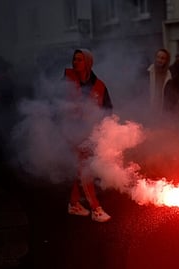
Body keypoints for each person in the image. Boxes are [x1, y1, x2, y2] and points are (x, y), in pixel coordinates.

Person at [63, 49, 112, 223]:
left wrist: (104, 130)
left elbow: (108, 109)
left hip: (91, 133)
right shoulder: (67, 81)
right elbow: (55, 105)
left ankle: (74, 203)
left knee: (82, 168)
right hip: (72, 133)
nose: (75, 62)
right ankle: (96, 208)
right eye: (74, 59)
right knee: (85, 169)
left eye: (79, 60)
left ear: (88, 63)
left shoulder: (99, 85)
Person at [145, 48, 173, 114]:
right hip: (147, 110)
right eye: (158, 57)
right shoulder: (147, 73)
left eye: (163, 58)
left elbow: (171, 97)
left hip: (163, 111)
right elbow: (141, 93)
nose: (159, 60)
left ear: (166, 61)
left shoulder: (169, 76)